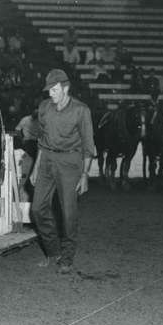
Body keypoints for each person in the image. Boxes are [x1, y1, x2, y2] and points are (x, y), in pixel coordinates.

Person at [31, 69, 96, 275]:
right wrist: (35, 168)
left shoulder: (81, 110)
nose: (51, 93)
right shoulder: (44, 108)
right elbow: (41, 141)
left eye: (55, 89)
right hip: (47, 160)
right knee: (37, 209)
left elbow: (88, 145)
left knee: (68, 213)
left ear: (66, 88)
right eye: (49, 89)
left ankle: (67, 258)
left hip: (70, 162)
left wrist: (85, 175)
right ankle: (53, 251)